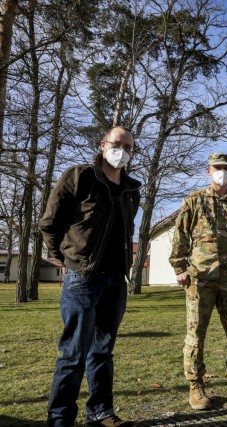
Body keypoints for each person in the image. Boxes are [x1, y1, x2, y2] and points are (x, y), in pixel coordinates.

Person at [40, 126, 141, 427]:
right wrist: (65, 259)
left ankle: (100, 412)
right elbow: (50, 222)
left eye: (128, 146)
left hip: (115, 279)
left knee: (103, 351)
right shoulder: (79, 176)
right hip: (83, 278)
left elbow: (128, 230)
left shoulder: (132, 188)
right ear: (102, 145)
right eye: (116, 143)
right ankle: (60, 419)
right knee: (73, 353)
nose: (121, 150)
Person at [169, 153, 227, 410]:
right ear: (208, 171)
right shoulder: (195, 200)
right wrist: (179, 266)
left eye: (226, 168)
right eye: (217, 168)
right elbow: (180, 234)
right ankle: (196, 386)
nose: (222, 172)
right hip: (200, 278)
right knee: (196, 334)